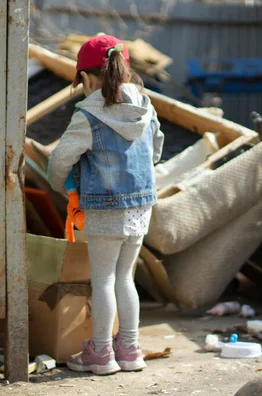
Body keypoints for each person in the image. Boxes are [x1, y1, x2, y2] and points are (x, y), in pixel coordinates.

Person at [47, 34, 164, 376]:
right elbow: (155, 151)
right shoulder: (146, 106)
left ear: (84, 78)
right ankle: (129, 351)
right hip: (140, 206)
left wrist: (61, 187)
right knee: (125, 278)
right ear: (124, 71)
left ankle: (100, 353)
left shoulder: (87, 115)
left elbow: (59, 162)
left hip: (104, 209)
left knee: (102, 280)